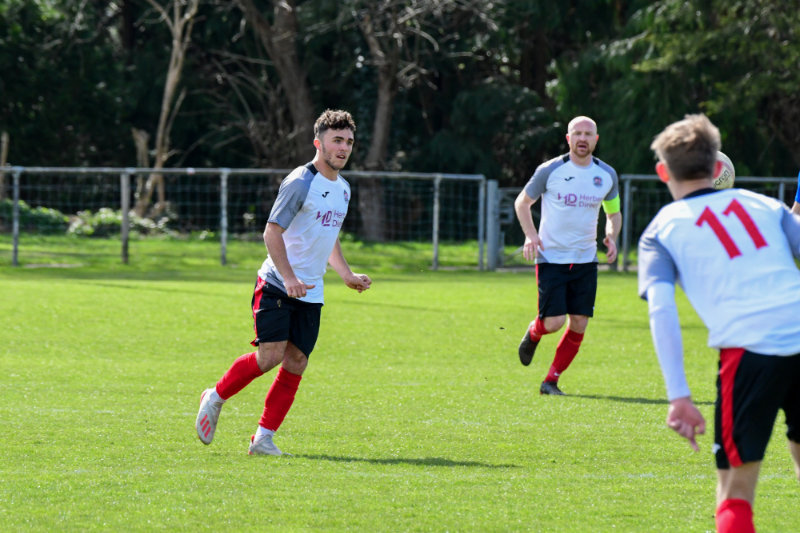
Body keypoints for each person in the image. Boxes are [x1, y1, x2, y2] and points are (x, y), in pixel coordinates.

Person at [638, 113, 800, 533]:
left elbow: (662, 310)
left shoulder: (660, 230)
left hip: (750, 351)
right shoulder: (766, 206)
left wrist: (679, 396)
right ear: (716, 167)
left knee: (735, 492)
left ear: (663, 172)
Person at [195, 109, 371, 455]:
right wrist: (289, 278)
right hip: (277, 282)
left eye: (349, 142)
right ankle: (215, 396)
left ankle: (263, 439)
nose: (344, 148)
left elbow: (328, 235)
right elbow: (271, 232)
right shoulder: (300, 182)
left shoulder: (343, 189)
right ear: (318, 143)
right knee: (270, 356)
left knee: (297, 361)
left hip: (311, 291)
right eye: (337, 140)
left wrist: (346, 274)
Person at [514, 115, 622, 395]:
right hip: (551, 257)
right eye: (577, 133)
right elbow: (522, 203)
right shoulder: (550, 170)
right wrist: (530, 235)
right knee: (554, 322)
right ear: (568, 138)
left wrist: (611, 236)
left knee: (580, 322)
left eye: (588, 134)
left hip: (586, 259)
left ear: (596, 140)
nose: (582, 139)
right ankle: (535, 331)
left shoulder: (606, 175)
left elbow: (613, 213)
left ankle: (550, 381)